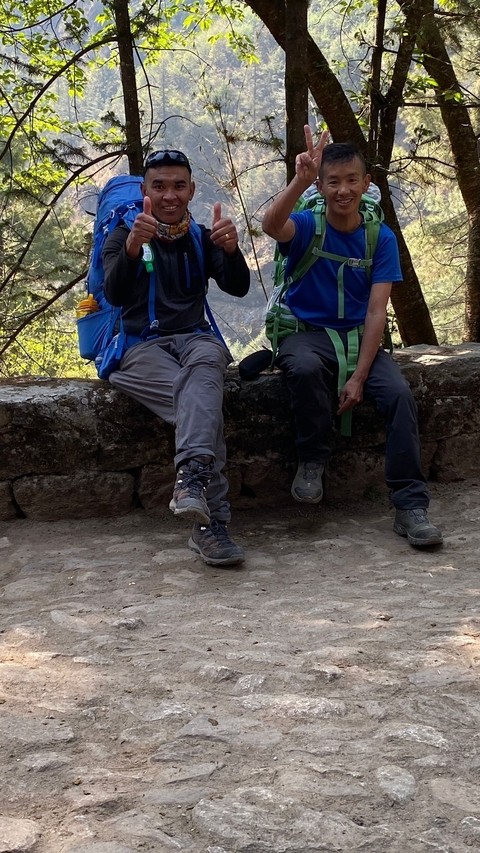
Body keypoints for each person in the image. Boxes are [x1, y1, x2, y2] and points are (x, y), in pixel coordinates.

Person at [262, 126, 442, 547]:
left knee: (397, 394)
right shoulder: (308, 225)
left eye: (351, 181)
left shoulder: (380, 238)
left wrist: (360, 376)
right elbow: (272, 226)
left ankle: (410, 506)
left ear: (367, 184)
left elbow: (378, 310)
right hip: (304, 332)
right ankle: (311, 460)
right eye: (333, 182)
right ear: (322, 186)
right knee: (304, 369)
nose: (343, 190)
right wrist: (299, 181)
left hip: (359, 337)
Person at [102, 149, 250, 565]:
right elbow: (114, 293)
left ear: (192, 190)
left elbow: (237, 286)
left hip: (195, 339)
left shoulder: (202, 237)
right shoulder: (124, 234)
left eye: (178, 186)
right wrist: (133, 246)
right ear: (145, 190)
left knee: (204, 372)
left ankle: (192, 489)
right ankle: (210, 526)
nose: (170, 195)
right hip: (140, 347)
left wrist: (233, 250)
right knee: (203, 404)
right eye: (159, 186)